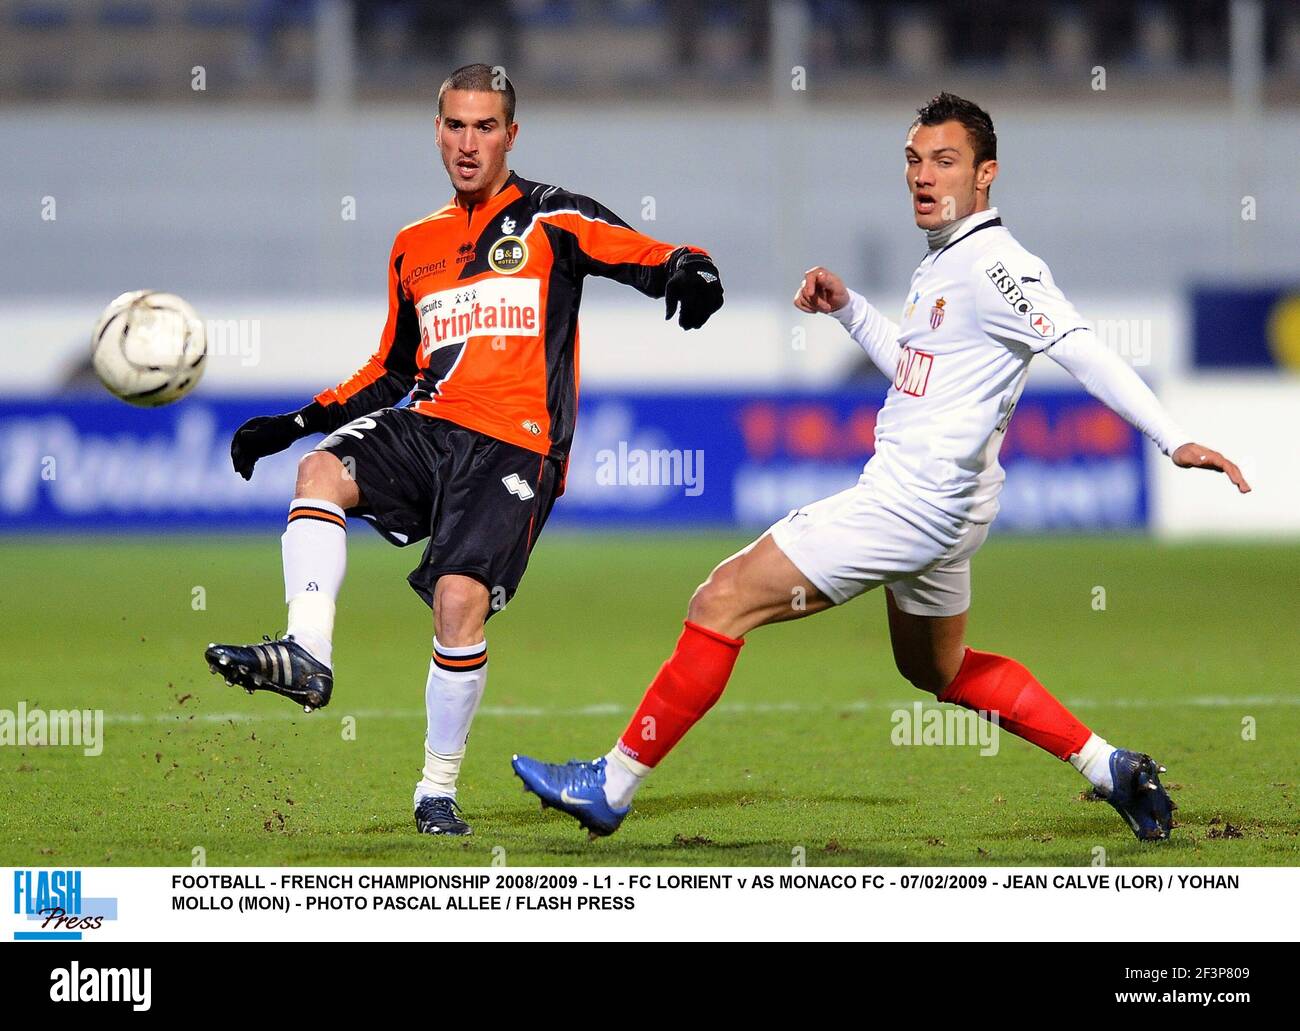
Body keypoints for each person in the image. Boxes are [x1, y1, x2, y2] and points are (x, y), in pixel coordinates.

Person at [511, 92, 1250, 843]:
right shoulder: (947, 263)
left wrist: (1171, 436)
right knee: (939, 669)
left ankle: (611, 782)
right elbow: (917, 370)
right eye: (914, 160)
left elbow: (1077, 344)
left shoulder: (996, 264)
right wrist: (850, 309)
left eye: (946, 161)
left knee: (721, 598)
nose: (924, 177)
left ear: (986, 174)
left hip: (911, 502)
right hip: (951, 510)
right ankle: (1111, 766)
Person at [204, 64, 724, 837]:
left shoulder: (552, 217)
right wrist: (295, 422)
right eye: (455, 126)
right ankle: (308, 652)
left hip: (518, 446)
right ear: (437, 131)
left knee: (458, 600)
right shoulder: (415, 244)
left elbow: (645, 253)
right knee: (319, 472)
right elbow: (392, 368)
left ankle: (434, 788)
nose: (469, 142)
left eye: (486, 127)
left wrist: (691, 269)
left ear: (512, 135)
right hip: (431, 426)